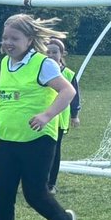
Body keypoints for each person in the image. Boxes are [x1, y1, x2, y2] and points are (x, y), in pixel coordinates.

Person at [0, 13, 78, 220]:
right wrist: (0, 118)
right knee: (1, 195)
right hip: (7, 139)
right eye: (5, 38)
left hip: (38, 140)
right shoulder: (5, 63)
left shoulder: (43, 64)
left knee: (35, 194)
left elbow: (67, 91)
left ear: (29, 39)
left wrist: (47, 115)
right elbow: (10, 95)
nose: (8, 43)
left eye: (14, 38)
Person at [45, 37, 81, 194]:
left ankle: (51, 184)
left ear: (62, 54)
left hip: (59, 120)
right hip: (43, 117)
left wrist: (74, 115)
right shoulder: (41, 70)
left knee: (54, 151)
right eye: (47, 52)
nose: (51, 55)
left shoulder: (68, 74)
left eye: (54, 52)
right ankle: (36, 180)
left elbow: (75, 96)